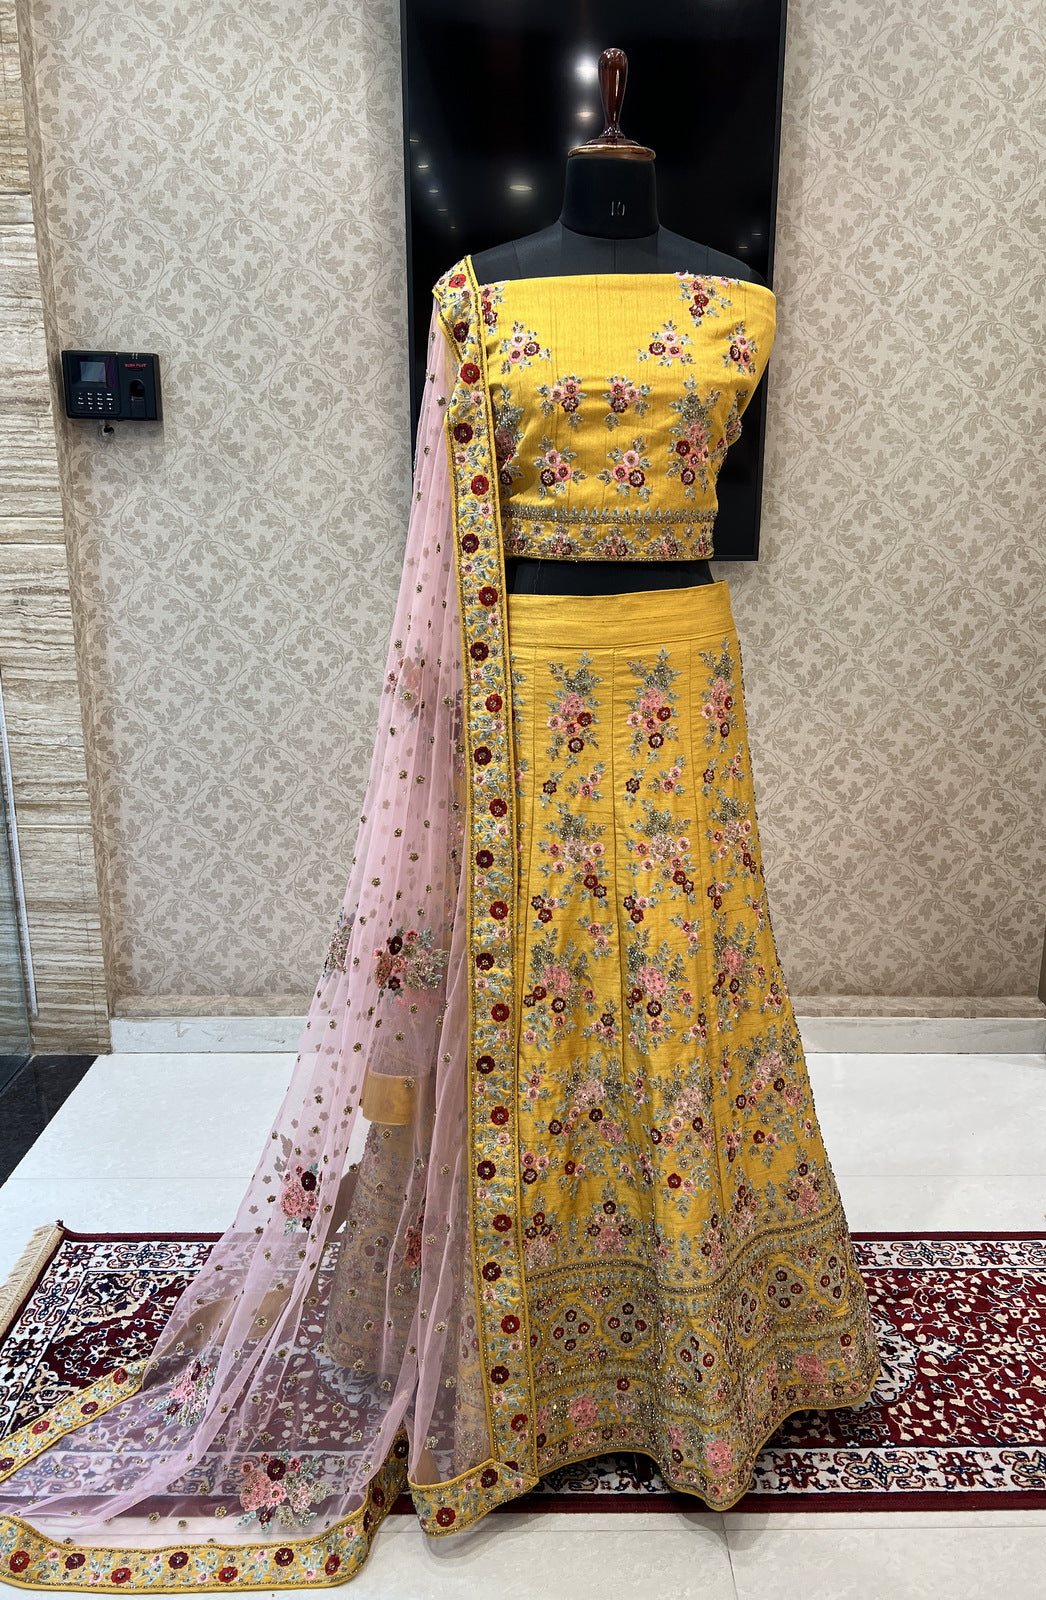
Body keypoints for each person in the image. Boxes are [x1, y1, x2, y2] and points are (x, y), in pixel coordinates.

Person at [0, 54, 879, 1590]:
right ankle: (508, 1347)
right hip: (520, 684)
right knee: (525, 990)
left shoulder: (740, 301)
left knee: (684, 972)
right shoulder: (476, 297)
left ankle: (694, 1334)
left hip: (678, 674)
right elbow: (442, 537)